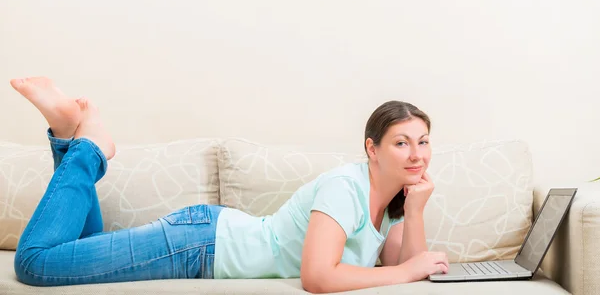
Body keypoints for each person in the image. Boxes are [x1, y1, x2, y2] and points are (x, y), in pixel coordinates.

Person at [10, 77, 448, 292]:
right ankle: (90, 147)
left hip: (205, 240)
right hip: (200, 244)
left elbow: (407, 269)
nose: (416, 154)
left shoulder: (388, 199)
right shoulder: (345, 187)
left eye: (423, 142)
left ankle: (68, 137)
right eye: (401, 143)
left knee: (77, 249)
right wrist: (407, 269)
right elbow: (317, 277)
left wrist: (414, 211)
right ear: (372, 149)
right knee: (35, 264)